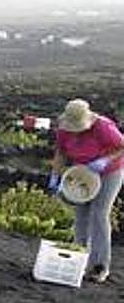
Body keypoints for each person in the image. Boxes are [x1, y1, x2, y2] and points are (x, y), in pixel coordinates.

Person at [49, 98, 124, 284]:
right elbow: (61, 153)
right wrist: (55, 177)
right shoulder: (64, 130)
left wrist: (105, 161)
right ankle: (78, 259)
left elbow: (122, 146)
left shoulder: (103, 127)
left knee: (100, 213)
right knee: (81, 214)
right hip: (81, 173)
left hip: (109, 173)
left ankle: (100, 266)